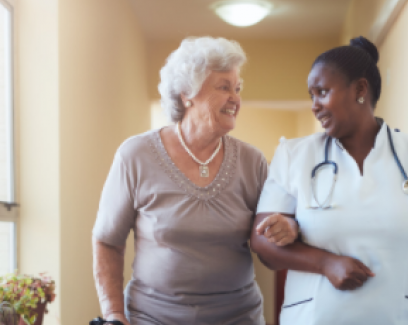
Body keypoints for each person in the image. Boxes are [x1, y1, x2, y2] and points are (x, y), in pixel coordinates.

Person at [251, 36, 408, 325]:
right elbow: (262, 244)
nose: (314, 105)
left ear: (360, 89)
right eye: (312, 96)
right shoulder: (294, 155)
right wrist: (326, 263)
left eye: (322, 92)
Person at [92, 36, 298, 325]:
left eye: (237, 88)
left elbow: (273, 242)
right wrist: (114, 313)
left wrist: (288, 227)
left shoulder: (252, 161)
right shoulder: (136, 155)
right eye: (224, 87)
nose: (235, 98)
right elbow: (107, 241)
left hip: (238, 317)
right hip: (153, 317)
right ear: (187, 94)